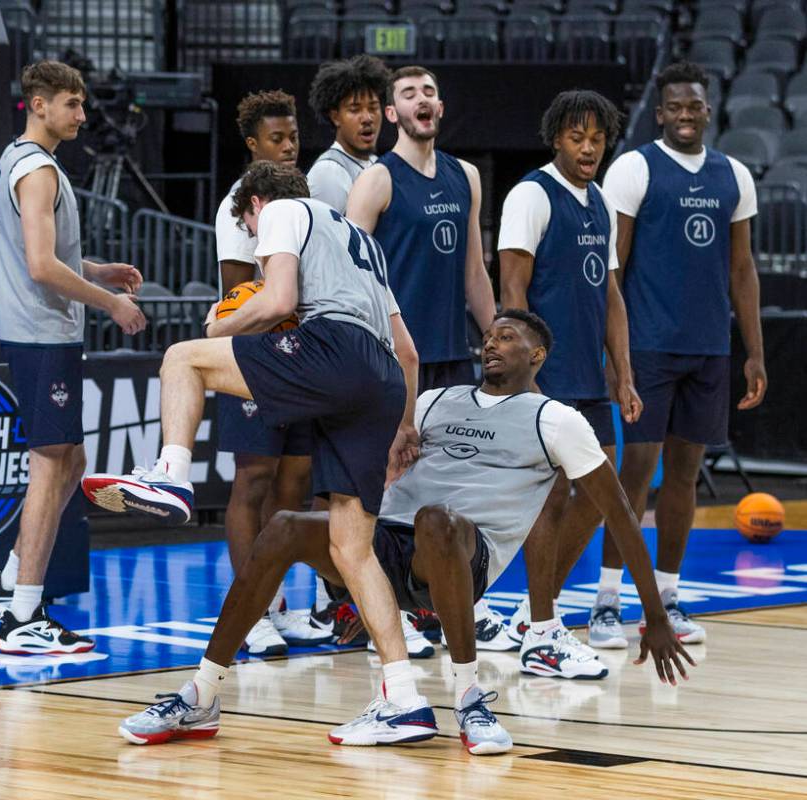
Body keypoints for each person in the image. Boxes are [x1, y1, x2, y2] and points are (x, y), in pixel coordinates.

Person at [115, 311, 696, 752]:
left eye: (509, 337)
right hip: (383, 547)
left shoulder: (559, 421)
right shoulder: (437, 400)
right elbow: (372, 450)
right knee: (288, 526)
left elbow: (619, 512)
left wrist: (656, 616)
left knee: (435, 520)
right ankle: (202, 694)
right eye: (489, 334)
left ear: (538, 355)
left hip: (458, 556)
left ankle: (469, 699)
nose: (492, 342)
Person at [84, 161, 430, 744]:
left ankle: (171, 474)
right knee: (351, 548)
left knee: (182, 358)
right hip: (383, 380)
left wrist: (220, 328)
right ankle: (405, 697)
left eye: (249, 225)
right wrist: (404, 428)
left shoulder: (283, 211)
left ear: (257, 205)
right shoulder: (360, 243)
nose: (253, 236)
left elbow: (278, 299)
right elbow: (409, 351)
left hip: (333, 350)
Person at [593, 61, 766, 645]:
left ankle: (667, 597)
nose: (686, 115)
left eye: (695, 105)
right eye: (675, 107)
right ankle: (607, 603)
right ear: (660, 112)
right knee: (635, 474)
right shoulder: (634, 168)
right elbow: (612, 267)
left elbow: (742, 269)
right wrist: (616, 355)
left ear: (707, 111)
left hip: (709, 349)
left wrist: (754, 352)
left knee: (686, 477)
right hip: (648, 346)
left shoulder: (735, 175)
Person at [0, 61, 146, 654]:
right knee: (51, 466)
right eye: (72, 105)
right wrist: (110, 303)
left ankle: (6, 585)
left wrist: (98, 270)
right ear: (39, 104)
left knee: (70, 462)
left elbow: (45, 252)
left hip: (35, 329)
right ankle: (23, 614)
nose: (81, 115)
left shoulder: (17, 159)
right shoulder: (38, 170)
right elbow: (40, 266)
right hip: (41, 333)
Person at [346, 65, 508, 652]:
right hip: (392, 360)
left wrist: (500, 342)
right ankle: (379, 615)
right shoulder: (375, 182)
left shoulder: (466, 176)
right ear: (392, 114)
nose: (422, 101)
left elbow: (474, 271)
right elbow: (349, 275)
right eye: (410, 94)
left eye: (430, 93)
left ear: (440, 107)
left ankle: (444, 602)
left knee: (448, 488)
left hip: (450, 360)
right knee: (388, 488)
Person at [498, 90, 642, 670]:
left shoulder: (600, 201)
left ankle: (536, 616)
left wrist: (623, 372)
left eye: (597, 138)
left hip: (587, 374)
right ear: (556, 137)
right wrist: (522, 377)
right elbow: (512, 294)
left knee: (602, 492)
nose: (588, 148)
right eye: (577, 137)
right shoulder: (531, 195)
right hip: (544, 376)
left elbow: (610, 293)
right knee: (553, 498)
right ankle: (541, 631)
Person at [213, 91, 330, 655]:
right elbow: (237, 297)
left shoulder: (300, 201)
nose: (288, 148)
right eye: (276, 139)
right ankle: (249, 609)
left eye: (293, 138)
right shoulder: (241, 205)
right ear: (252, 144)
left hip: (299, 359)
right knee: (253, 479)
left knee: (294, 486)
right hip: (253, 358)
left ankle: (280, 603)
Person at [305, 54, 390, 213]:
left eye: (373, 108)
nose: (367, 118)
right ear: (335, 116)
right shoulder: (328, 173)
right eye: (355, 109)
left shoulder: (375, 162)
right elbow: (326, 237)